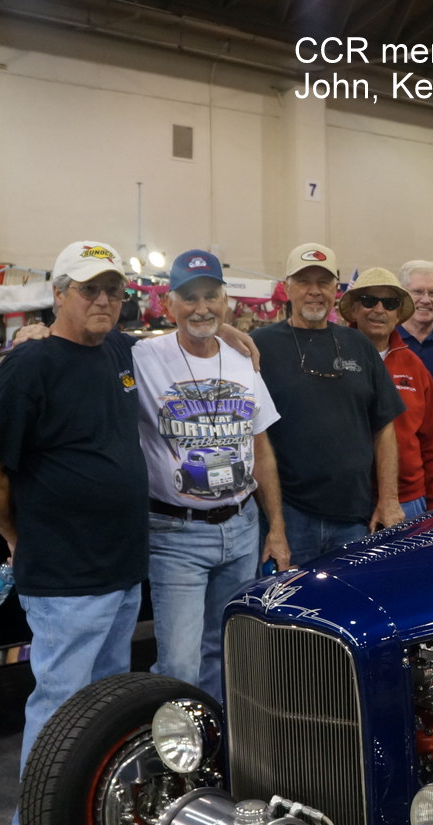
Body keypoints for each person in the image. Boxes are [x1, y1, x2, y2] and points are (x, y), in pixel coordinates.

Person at [0, 240, 146, 825]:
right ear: (59, 293)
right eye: (89, 289)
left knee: (101, 717)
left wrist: (242, 343)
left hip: (123, 570)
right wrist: (20, 536)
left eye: (113, 291)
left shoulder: (124, 354)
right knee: (57, 714)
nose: (102, 301)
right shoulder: (30, 366)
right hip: (66, 578)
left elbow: (190, 340)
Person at [132, 250, 288, 699]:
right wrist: (38, 330)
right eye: (190, 298)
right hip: (176, 534)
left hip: (242, 529)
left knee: (226, 650)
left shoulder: (244, 361)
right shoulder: (144, 356)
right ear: (168, 305)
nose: (201, 307)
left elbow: (261, 448)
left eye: (211, 296)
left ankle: (217, 749)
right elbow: (87, 340)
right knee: (179, 661)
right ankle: (178, 759)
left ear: (227, 302)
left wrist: (275, 527)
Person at [254, 243, 405, 564]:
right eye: (303, 282)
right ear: (286, 288)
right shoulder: (260, 347)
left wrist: (389, 501)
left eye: (323, 283)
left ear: (336, 289)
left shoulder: (358, 345)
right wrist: (276, 527)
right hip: (289, 517)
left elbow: (385, 427)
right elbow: (256, 439)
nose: (314, 292)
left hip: (353, 517)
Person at [341, 266, 433, 520]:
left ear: (398, 314)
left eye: (389, 303)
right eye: (369, 301)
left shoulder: (415, 367)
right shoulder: (331, 360)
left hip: (409, 502)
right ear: (355, 309)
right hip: (345, 503)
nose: (379, 310)